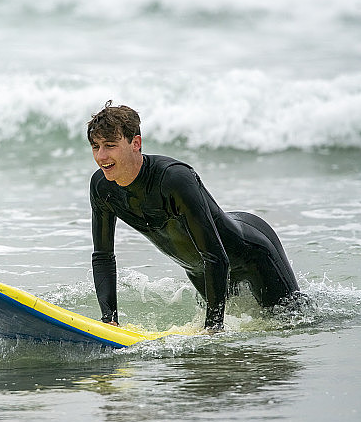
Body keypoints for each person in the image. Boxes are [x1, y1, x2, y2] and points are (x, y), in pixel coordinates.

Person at [88, 102, 300, 332]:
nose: (101, 156)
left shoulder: (174, 179)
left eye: (110, 145)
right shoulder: (102, 187)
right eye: (95, 146)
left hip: (251, 258)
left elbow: (215, 255)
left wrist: (212, 328)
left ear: (135, 143)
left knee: (289, 327)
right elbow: (103, 257)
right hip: (203, 272)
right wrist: (109, 319)